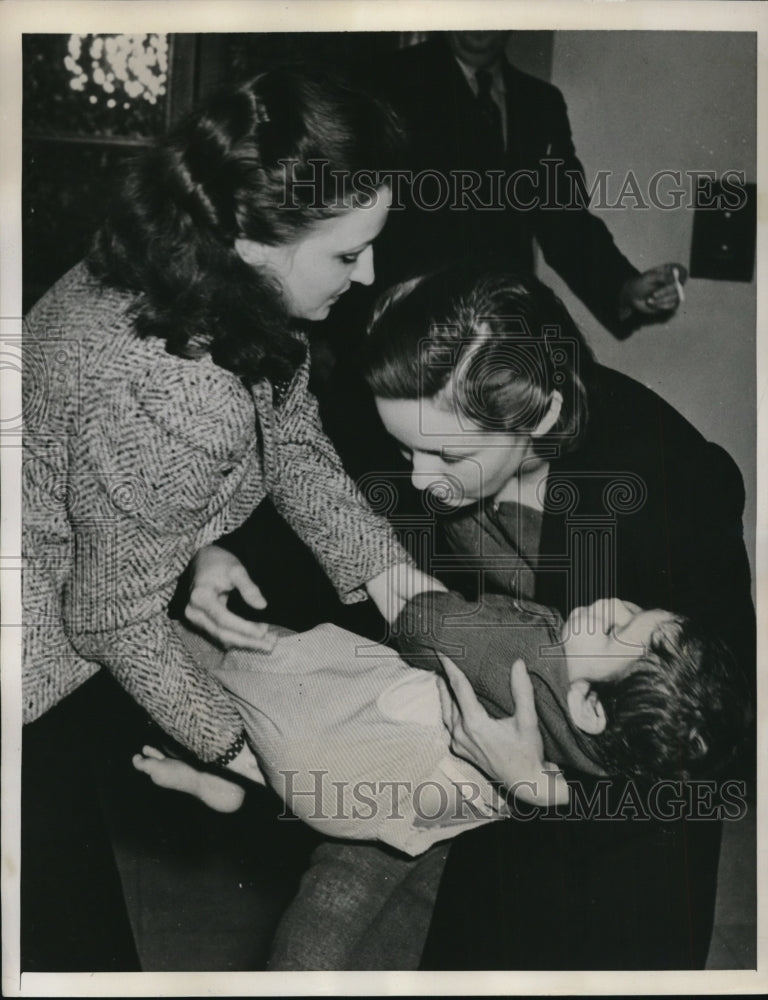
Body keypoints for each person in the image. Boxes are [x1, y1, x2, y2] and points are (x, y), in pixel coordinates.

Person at [21, 68, 453, 971]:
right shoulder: (180, 387)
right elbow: (106, 615)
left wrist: (410, 593)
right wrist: (262, 758)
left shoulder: (187, 269)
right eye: (347, 255)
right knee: (73, 957)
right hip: (23, 665)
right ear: (254, 237)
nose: (369, 274)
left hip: (53, 607)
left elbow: (289, 442)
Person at [356, 265, 754, 969]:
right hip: (496, 815)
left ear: (535, 417)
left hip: (629, 847)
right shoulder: (435, 428)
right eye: (402, 449)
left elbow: (718, 756)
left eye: (447, 454)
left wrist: (545, 790)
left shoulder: (671, 488)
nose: (417, 478)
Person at [133, 589, 749, 854]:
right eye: (635, 609)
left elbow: (425, 624)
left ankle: (150, 634)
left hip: (357, 732)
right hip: (368, 806)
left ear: (591, 705)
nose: (615, 603)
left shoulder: (527, 656)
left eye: (617, 628)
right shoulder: (614, 757)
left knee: (264, 658)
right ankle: (228, 778)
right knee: (278, 755)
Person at [366, 30, 687, 338]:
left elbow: (565, 221)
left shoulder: (541, 104)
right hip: (401, 330)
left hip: (500, 333)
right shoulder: (389, 79)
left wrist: (623, 287)